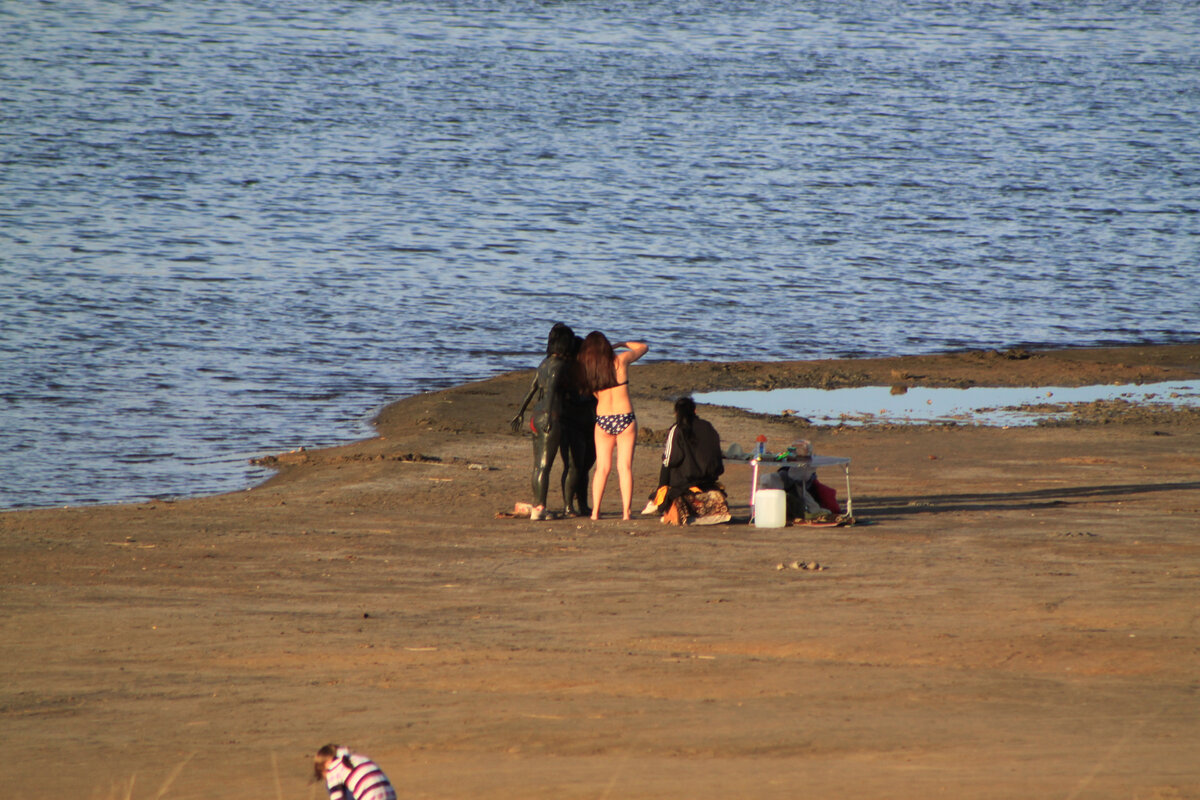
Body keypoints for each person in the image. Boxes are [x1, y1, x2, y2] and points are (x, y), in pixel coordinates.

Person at [576, 332, 648, 520]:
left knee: (602, 468)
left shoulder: (590, 371)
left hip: (603, 420)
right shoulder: (620, 360)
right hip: (625, 418)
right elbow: (643, 347)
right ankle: (626, 513)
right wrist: (620, 343)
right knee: (624, 467)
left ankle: (595, 512)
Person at [511, 323, 575, 519]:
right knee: (545, 466)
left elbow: (531, 390)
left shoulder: (543, 364)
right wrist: (549, 416)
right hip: (550, 417)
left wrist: (520, 413)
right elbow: (553, 390)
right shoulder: (560, 366)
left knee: (538, 465)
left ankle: (538, 504)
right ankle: (539, 509)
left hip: (534, 417)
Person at [647, 396, 730, 525]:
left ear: (676, 413)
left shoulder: (677, 429)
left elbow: (670, 460)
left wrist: (661, 486)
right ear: (695, 411)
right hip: (709, 478)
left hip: (686, 480)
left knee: (666, 463)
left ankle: (662, 498)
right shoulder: (708, 426)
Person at [559, 334, 596, 517]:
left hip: (588, 422)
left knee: (584, 465)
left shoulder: (587, 370)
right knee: (574, 465)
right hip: (572, 423)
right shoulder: (567, 370)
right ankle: (569, 505)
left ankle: (581, 503)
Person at [313, 744, 396, 800]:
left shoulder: (333, 771)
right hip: (391, 795)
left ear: (325, 765)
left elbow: (337, 798)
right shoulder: (359, 758)